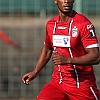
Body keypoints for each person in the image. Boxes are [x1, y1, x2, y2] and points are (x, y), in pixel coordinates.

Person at [22, 0, 100, 100]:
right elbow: (47, 49)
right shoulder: (51, 24)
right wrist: (35, 72)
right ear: (55, 1)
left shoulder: (83, 24)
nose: (66, 1)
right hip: (58, 83)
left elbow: (96, 56)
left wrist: (68, 60)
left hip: (81, 85)